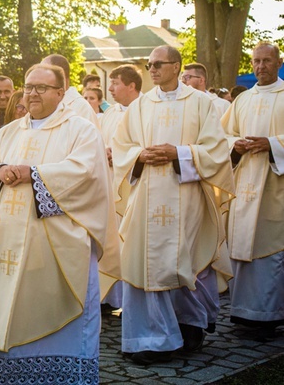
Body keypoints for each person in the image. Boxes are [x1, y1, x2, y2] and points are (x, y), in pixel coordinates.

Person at [0, 64, 114, 384]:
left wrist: (32, 174)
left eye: (42, 88)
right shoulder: (9, 131)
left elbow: (86, 174)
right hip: (5, 240)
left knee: (51, 312)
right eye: (29, 86)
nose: (32, 93)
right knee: (4, 306)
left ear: (61, 93)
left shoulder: (80, 130)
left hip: (57, 243)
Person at [112, 45, 234, 365]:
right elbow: (122, 145)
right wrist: (140, 155)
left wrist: (178, 154)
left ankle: (189, 324)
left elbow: (216, 149)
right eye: (149, 64)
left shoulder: (200, 103)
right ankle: (150, 337)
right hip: (146, 195)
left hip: (185, 195)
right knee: (143, 262)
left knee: (180, 263)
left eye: (158, 64)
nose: (151, 69)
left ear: (176, 66)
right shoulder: (140, 105)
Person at [222, 42, 284, 339]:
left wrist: (271, 144)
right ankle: (242, 313)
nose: (261, 66)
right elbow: (221, 135)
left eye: (267, 61)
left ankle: (268, 316)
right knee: (240, 246)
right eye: (256, 61)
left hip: (275, 186)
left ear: (278, 62)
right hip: (243, 181)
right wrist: (234, 145)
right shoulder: (242, 100)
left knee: (269, 251)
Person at [99, 65, 143, 309]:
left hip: (132, 183)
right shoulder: (110, 113)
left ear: (131, 86)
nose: (111, 88)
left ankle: (130, 297)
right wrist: (102, 151)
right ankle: (110, 296)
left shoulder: (145, 110)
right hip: (108, 181)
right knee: (109, 239)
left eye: (115, 83)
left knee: (129, 240)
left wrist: (122, 155)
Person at [42, 55, 99, 128]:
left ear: (61, 75)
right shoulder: (46, 103)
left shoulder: (81, 108)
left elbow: (91, 137)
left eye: (44, 72)